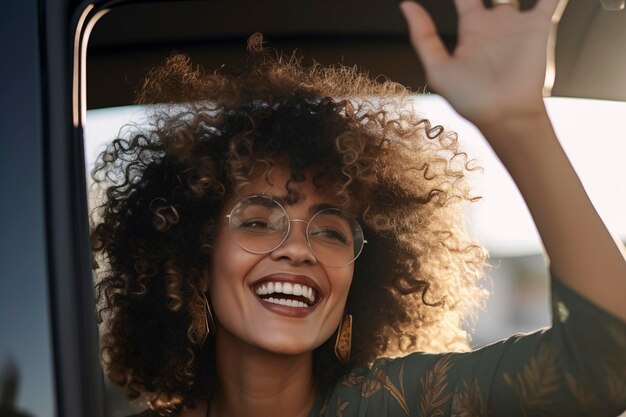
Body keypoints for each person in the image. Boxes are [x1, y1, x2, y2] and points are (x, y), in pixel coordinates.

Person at [90, 0, 626, 416]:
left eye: (330, 232)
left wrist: (520, 123)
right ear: (193, 265)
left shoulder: (396, 404)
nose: (298, 249)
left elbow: (601, 365)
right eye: (257, 221)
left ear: (357, 278)